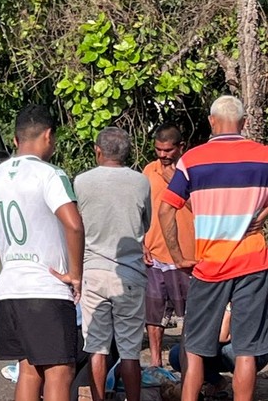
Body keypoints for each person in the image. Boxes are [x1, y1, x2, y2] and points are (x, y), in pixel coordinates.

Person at [0, 103, 84, 401]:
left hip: (11, 290)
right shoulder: (50, 175)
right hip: (46, 290)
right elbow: (73, 225)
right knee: (61, 372)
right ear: (48, 136)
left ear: (16, 139)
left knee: (29, 370)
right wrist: (76, 275)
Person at [159, 95, 268, 401]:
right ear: (244, 123)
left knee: (193, 349)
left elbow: (167, 210)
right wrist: (258, 217)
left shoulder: (192, 160)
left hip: (209, 266)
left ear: (211, 122)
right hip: (253, 262)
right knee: (247, 351)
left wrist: (179, 257)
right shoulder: (263, 156)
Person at [73, 127, 151, 401]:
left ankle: (98, 398)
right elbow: (146, 224)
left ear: (98, 151)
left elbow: (76, 227)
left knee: (97, 347)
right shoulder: (141, 182)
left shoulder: (81, 182)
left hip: (92, 271)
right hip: (129, 274)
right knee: (130, 351)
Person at [143, 123, 194, 369]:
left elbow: (202, 208)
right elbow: (141, 210)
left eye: (168, 150)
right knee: (154, 313)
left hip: (185, 255)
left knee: (188, 314)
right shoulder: (148, 171)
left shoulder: (192, 172)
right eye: (158, 150)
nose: (162, 155)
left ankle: (188, 363)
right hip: (154, 254)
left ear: (181, 147)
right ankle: (155, 362)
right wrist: (141, 241)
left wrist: (176, 184)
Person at [168, 305, 268, 399]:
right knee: (177, 354)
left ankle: (244, 391)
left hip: (252, 351)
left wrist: (228, 309)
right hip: (218, 347)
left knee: (231, 351)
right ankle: (217, 381)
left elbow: (223, 337)